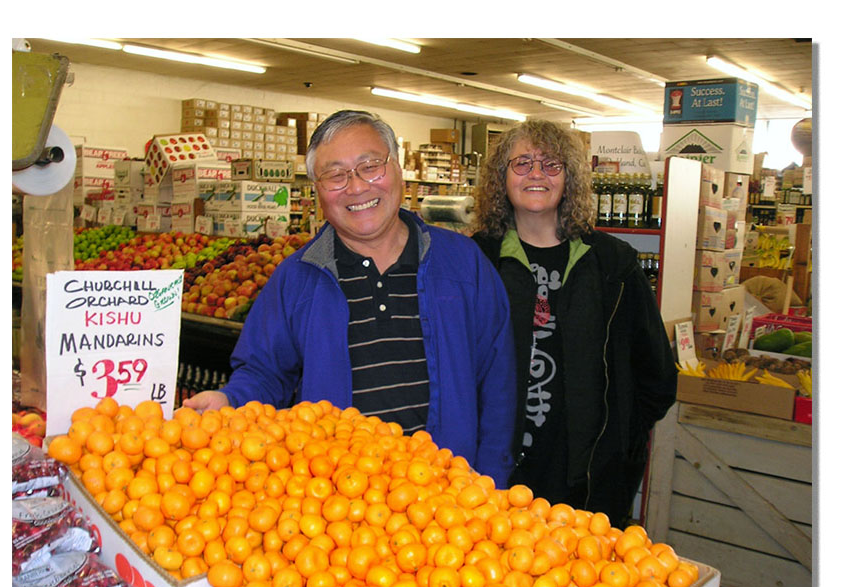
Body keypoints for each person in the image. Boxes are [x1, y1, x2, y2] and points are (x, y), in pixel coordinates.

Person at [185, 110, 516, 486]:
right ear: (317, 189)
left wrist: (492, 481)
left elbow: (498, 381)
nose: (356, 187)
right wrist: (229, 402)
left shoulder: (462, 264)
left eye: (370, 166)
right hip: (341, 509)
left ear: (397, 170)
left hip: (449, 503)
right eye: (335, 174)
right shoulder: (298, 278)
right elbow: (265, 373)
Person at [472, 119, 677, 527]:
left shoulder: (612, 263)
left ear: (570, 178)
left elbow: (655, 373)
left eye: (551, 164)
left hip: (588, 482)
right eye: (523, 163)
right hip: (493, 477)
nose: (536, 174)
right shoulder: (477, 260)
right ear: (501, 177)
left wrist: (620, 442)